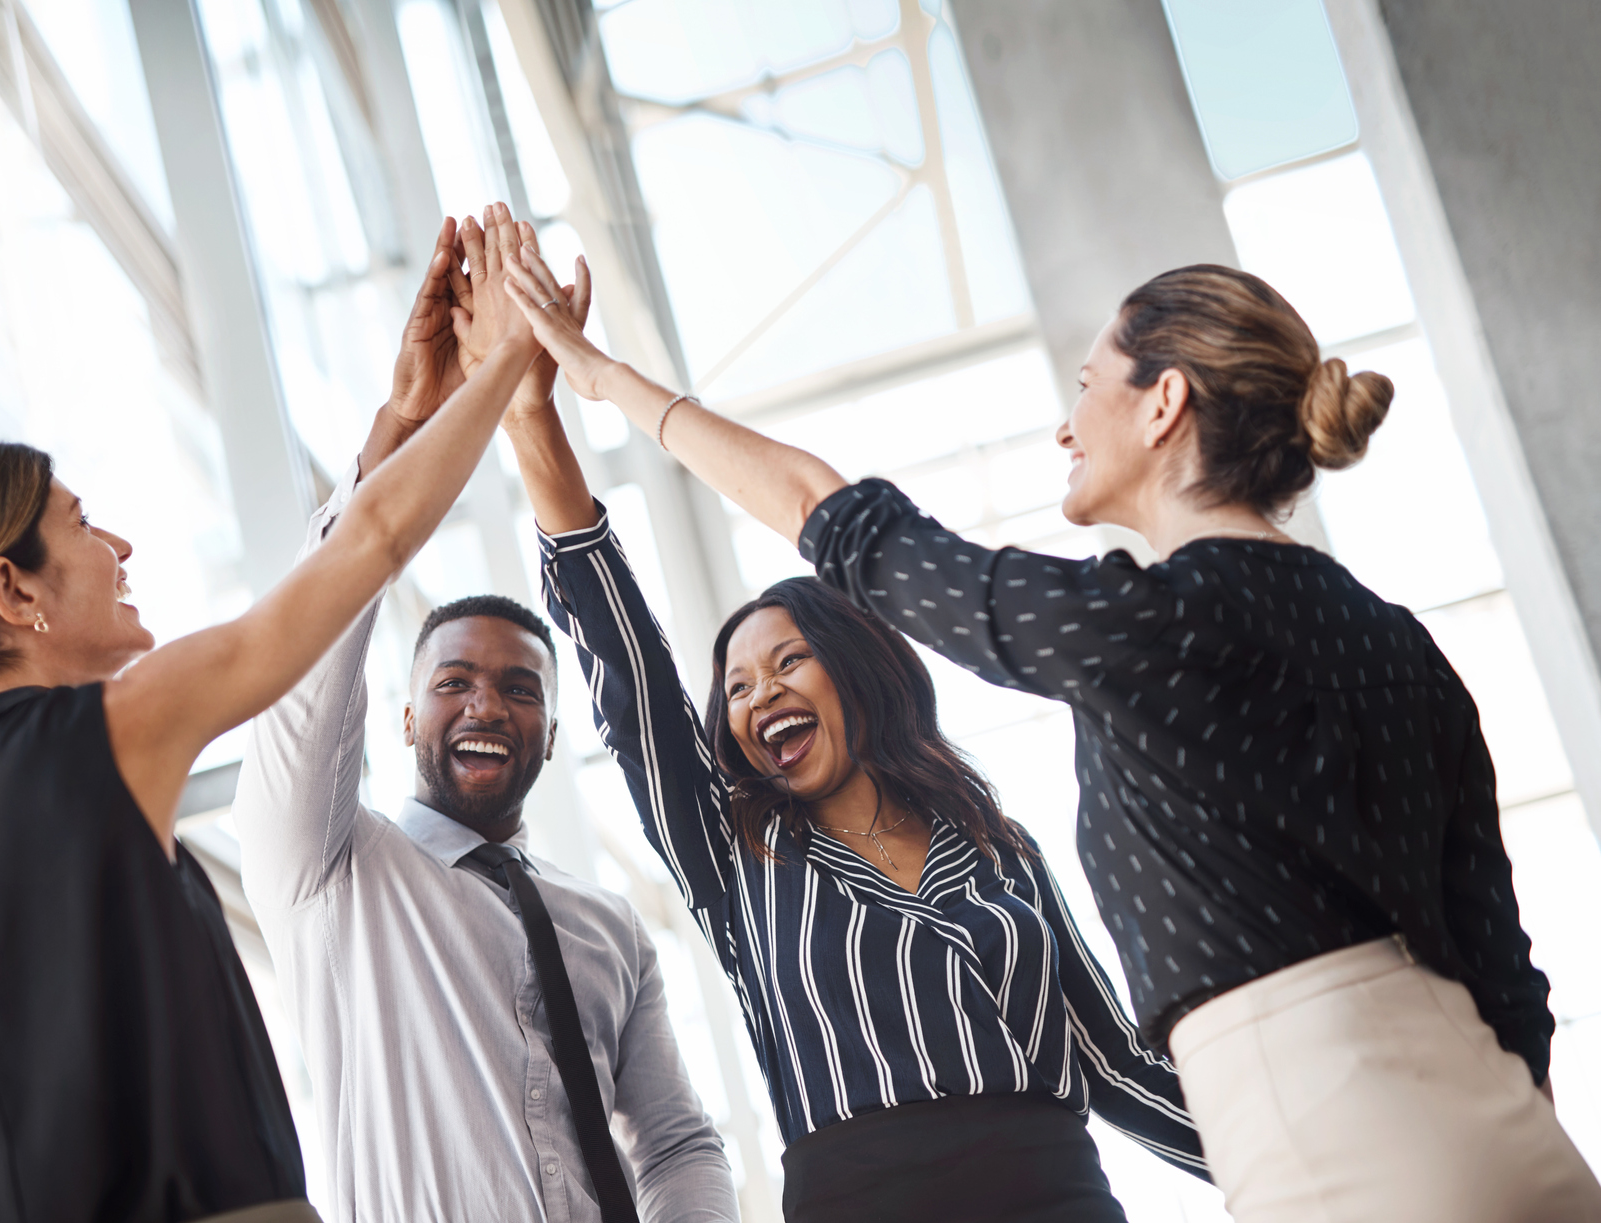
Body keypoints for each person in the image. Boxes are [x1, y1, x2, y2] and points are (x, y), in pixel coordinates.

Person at [501, 254, 1601, 1222]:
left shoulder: (1118, 637)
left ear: (1163, 401)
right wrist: (539, 416)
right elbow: (1500, 973)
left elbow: (834, 516)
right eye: (734, 682)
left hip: (1297, 1131)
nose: (1066, 424)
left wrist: (602, 377)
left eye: (1084, 388)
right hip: (1495, 1128)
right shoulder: (1400, 645)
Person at [0, 210, 547, 1223]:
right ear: (14, 593)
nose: (117, 545)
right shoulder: (103, 735)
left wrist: (400, 415)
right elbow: (365, 546)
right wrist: (512, 351)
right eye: (76, 523)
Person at [496, 303, 1204, 1223]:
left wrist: (1311, 1159)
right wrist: (532, 415)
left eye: (788, 661)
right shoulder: (735, 854)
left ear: (857, 673)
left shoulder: (999, 847)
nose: (759, 695)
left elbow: (1116, 1063)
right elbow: (631, 680)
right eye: (737, 686)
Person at [231, 205, 735, 1223]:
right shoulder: (326, 866)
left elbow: (676, 1139)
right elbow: (308, 659)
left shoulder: (606, 929)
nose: (486, 705)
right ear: (403, 712)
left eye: (520, 689)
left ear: (551, 734)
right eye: (454, 680)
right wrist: (404, 422)